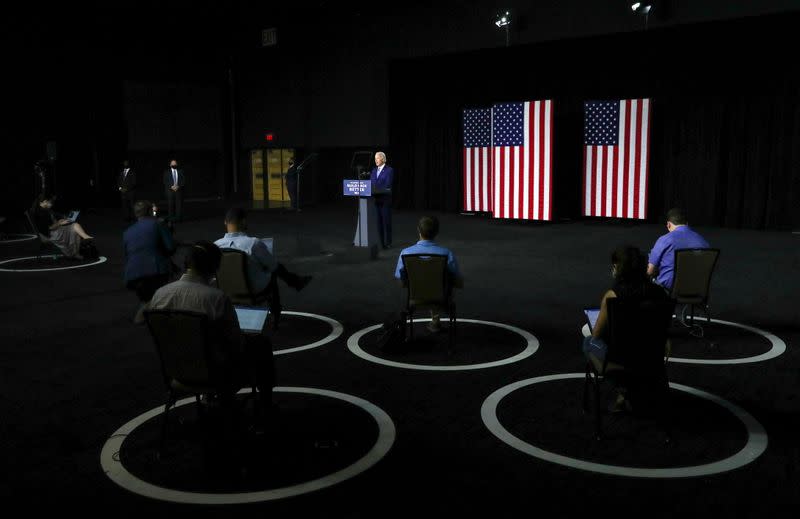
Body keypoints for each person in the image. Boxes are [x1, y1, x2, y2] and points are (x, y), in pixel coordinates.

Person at [147, 241, 274, 418]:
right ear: (214, 267)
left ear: (186, 264)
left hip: (177, 371)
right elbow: (235, 343)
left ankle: (213, 402)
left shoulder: (160, 295)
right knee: (261, 345)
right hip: (215, 373)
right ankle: (265, 406)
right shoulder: (216, 298)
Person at [582, 245, 671, 412]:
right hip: (651, 357)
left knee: (588, 341)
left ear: (619, 268)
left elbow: (597, 334)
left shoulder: (613, 295)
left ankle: (623, 390)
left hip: (620, 360)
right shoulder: (661, 294)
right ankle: (632, 391)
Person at [214, 207, 312, 302]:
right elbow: (273, 266)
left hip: (225, 290)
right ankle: (276, 311)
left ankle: (295, 282)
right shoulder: (253, 243)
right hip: (251, 290)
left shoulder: (215, 246)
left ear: (225, 222)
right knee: (273, 270)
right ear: (243, 221)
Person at [394, 215, 463, 333]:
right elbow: (458, 282)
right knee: (443, 282)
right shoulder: (446, 254)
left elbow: (401, 282)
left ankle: (434, 320)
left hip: (415, 297)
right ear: (437, 232)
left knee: (424, 282)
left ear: (418, 230)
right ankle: (435, 320)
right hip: (441, 298)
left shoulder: (405, 253)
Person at [124, 200, 176, 323]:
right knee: (154, 299)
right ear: (149, 212)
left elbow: (128, 255)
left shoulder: (127, 232)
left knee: (146, 298)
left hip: (132, 275)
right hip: (155, 272)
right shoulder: (158, 224)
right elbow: (170, 248)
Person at [647, 207, 710, 291]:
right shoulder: (703, 241)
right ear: (687, 224)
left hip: (669, 290)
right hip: (697, 289)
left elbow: (650, 271)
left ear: (668, 224)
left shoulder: (665, 240)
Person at [31, 194, 93, 259]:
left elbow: (56, 217)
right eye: (50, 202)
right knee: (74, 227)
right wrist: (59, 223)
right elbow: (49, 228)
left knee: (74, 227)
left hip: (53, 231)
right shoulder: (40, 213)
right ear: (44, 202)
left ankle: (77, 249)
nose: (51, 204)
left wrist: (61, 221)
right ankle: (79, 246)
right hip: (50, 235)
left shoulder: (44, 210)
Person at [369, 151, 394, 249]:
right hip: (376, 199)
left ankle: (388, 242)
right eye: (375, 158)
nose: (376, 160)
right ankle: (381, 242)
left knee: (386, 222)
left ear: (383, 159)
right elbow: (371, 183)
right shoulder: (374, 170)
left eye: (377, 158)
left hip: (385, 200)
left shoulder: (389, 170)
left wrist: (376, 189)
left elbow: (388, 184)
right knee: (378, 222)